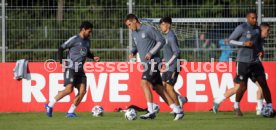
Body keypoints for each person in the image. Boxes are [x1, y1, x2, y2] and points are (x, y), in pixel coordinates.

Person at [212, 11, 273, 117]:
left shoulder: (257, 29)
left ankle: (266, 108)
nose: (255, 20)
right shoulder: (241, 28)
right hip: (243, 62)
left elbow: (257, 43)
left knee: (263, 84)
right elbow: (230, 41)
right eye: (253, 18)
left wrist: (260, 50)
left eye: (256, 18)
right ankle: (227, 103)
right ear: (247, 18)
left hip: (255, 62)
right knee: (241, 87)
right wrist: (243, 43)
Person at [124, 14, 183, 120]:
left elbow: (161, 40)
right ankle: (177, 111)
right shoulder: (134, 33)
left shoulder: (148, 29)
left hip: (154, 62)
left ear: (134, 21)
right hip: (146, 65)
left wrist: (151, 52)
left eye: (129, 24)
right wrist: (133, 52)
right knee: (159, 88)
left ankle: (151, 111)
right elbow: (135, 46)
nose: (129, 27)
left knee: (144, 82)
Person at [45, 21, 100, 118]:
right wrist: (61, 61)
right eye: (89, 31)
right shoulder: (74, 39)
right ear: (83, 29)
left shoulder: (87, 41)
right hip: (70, 67)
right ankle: (50, 105)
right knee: (68, 89)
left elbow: (86, 52)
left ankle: (70, 112)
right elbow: (61, 48)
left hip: (80, 69)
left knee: (82, 91)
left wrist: (93, 57)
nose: (90, 33)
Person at [159, 16, 188, 110]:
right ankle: (181, 98)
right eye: (160, 24)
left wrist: (168, 64)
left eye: (163, 24)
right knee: (162, 86)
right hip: (169, 65)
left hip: (175, 65)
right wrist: (164, 60)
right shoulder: (166, 36)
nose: (161, 26)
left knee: (169, 88)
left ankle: (178, 109)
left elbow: (177, 52)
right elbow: (169, 52)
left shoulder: (171, 37)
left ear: (168, 25)